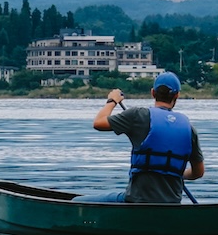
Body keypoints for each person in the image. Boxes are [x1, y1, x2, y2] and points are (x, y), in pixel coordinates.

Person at [87, 71, 204, 204]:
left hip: (136, 200)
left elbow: (98, 123)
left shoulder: (138, 115)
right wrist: (173, 171)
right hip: (172, 204)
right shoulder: (189, 129)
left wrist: (112, 101)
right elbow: (198, 173)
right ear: (177, 95)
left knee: (77, 200)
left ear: (153, 93)